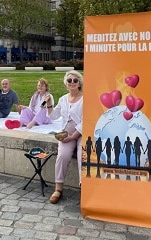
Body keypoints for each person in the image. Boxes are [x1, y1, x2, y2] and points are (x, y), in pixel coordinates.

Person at [45, 70, 83, 204]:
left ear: (79, 83)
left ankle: (83, 188)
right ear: (66, 84)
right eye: (69, 81)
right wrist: (49, 103)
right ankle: (58, 188)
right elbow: (53, 116)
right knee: (62, 156)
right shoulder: (63, 99)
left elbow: (86, 120)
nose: (72, 83)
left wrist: (73, 136)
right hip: (66, 133)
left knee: (82, 156)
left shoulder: (85, 98)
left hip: (81, 133)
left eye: (75, 80)